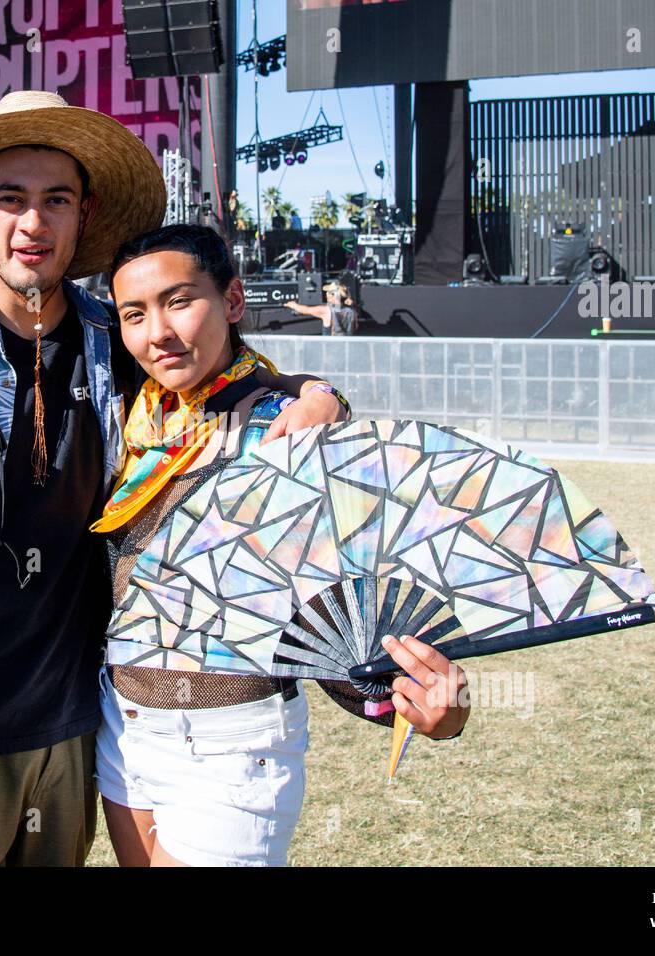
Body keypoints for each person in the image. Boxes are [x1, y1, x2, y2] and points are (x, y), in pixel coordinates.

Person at [0, 90, 348, 867]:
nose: (33, 223)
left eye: (57, 200)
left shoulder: (111, 338)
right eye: (12, 199)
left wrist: (316, 394)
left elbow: (224, 370)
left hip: (79, 725)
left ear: (83, 216)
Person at [91, 225, 468, 867]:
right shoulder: (129, 418)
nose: (157, 331)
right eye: (134, 313)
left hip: (232, 743)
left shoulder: (284, 435)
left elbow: (338, 603)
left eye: (180, 301)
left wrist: (422, 703)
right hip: (123, 727)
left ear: (234, 301)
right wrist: (317, 387)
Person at [283, 280, 358, 335]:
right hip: (346, 349)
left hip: (331, 349)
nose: (326, 295)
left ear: (334, 295)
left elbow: (305, 310)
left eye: (328, 292)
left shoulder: (326, 310)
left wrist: (293, 305)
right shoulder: (352, 311)